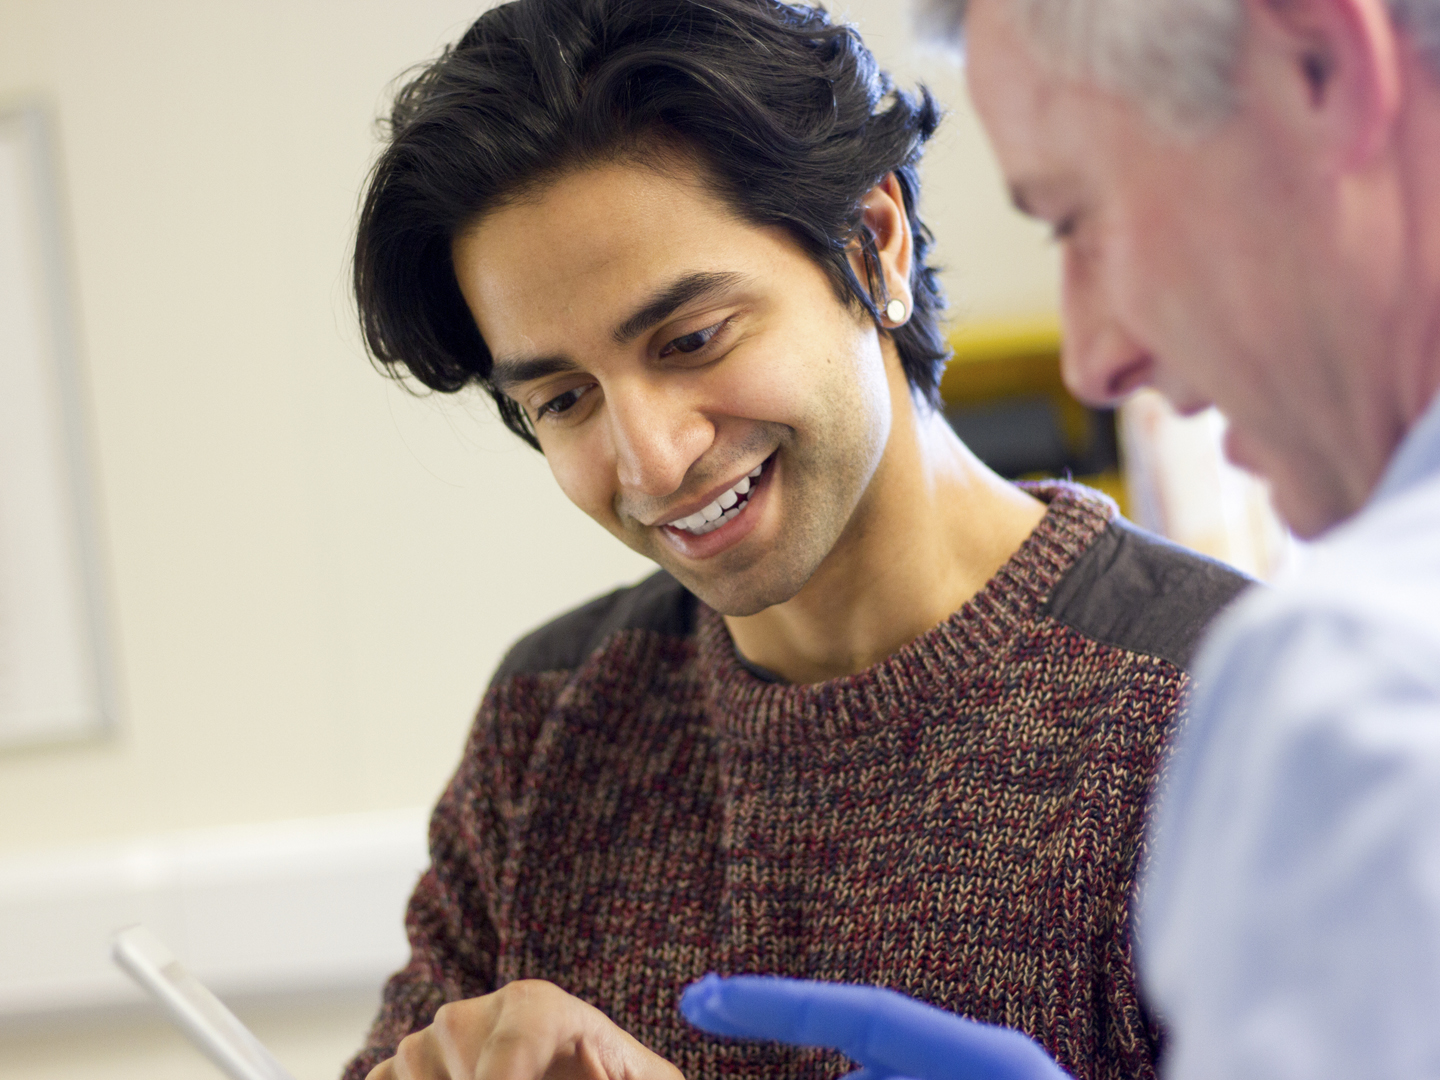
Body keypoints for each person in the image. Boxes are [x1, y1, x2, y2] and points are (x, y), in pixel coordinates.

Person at [341, 1, 1248, 1079]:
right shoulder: (550, 723)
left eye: (691, 339)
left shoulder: (1222, 703)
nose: (650, 464)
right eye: (566, 399)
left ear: (874, 245)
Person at [685, 1, 1440, 1078]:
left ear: (1324, 65)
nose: (1095, 361)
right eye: (562, 397)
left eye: (1080, 218)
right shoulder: (551, 715)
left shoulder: (1356, 683)